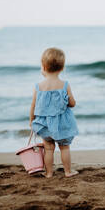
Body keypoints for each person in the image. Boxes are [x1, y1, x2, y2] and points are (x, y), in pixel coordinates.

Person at [29, 47, 79, 178]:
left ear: (43, 66)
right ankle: (68, 171)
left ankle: (49, 172)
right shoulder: (64, 85)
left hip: (45, 124)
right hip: (62, 124)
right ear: (62, 68)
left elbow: (33, 106)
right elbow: (72, 103)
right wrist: (67, 101)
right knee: (64, 148)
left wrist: (31, 121)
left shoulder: (38, 86)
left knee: (49, 149)